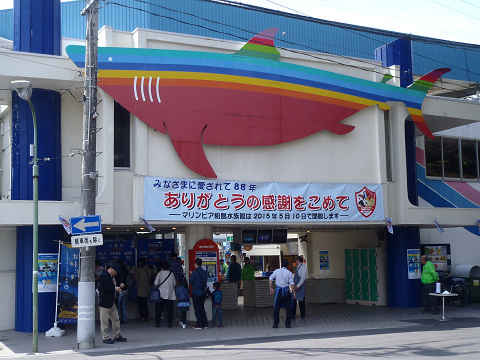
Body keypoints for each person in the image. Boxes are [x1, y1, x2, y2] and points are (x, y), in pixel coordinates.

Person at [98, 262, 127, 344]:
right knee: (105, 321)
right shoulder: (104, 276)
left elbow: (112, 286)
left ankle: (117, 335)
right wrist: (115, 289)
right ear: (111, 269)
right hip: (104, 302)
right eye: (116, 272)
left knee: (116, 319)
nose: (116, 273)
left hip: (112, 301)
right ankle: (105, 337)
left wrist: (119, 287)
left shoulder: (111, 277)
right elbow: (102, 289)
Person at [269, 258, 296, 329]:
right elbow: (292, 283)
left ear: (281, 264)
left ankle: (275, 324)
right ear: (287, 265)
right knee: (288, 308)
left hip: (279, 291)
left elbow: (270, 278)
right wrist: (294, 292)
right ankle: (288, 324)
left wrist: (271, 288)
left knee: (276, 308)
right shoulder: (289, 273)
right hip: (287, 291)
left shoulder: (276, 271)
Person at [154, 261, 177, 328]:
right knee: (169, 310)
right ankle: (169, 324)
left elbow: (155, 283)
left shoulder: (159, 274)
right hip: (169, 294)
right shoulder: (171, 274)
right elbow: (174, 283)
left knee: (158, 309)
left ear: (161, 268)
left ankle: (157, 323)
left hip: (160, 294)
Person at [189, 258, 208, 329]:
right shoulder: (204, 272)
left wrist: (191, 274)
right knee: (202, 308)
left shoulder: (194, 272)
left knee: (197, 309)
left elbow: (191, 282)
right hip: (202, 292)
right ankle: (205, 324)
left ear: (196, 264)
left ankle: (199, 324)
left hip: (196, 292)